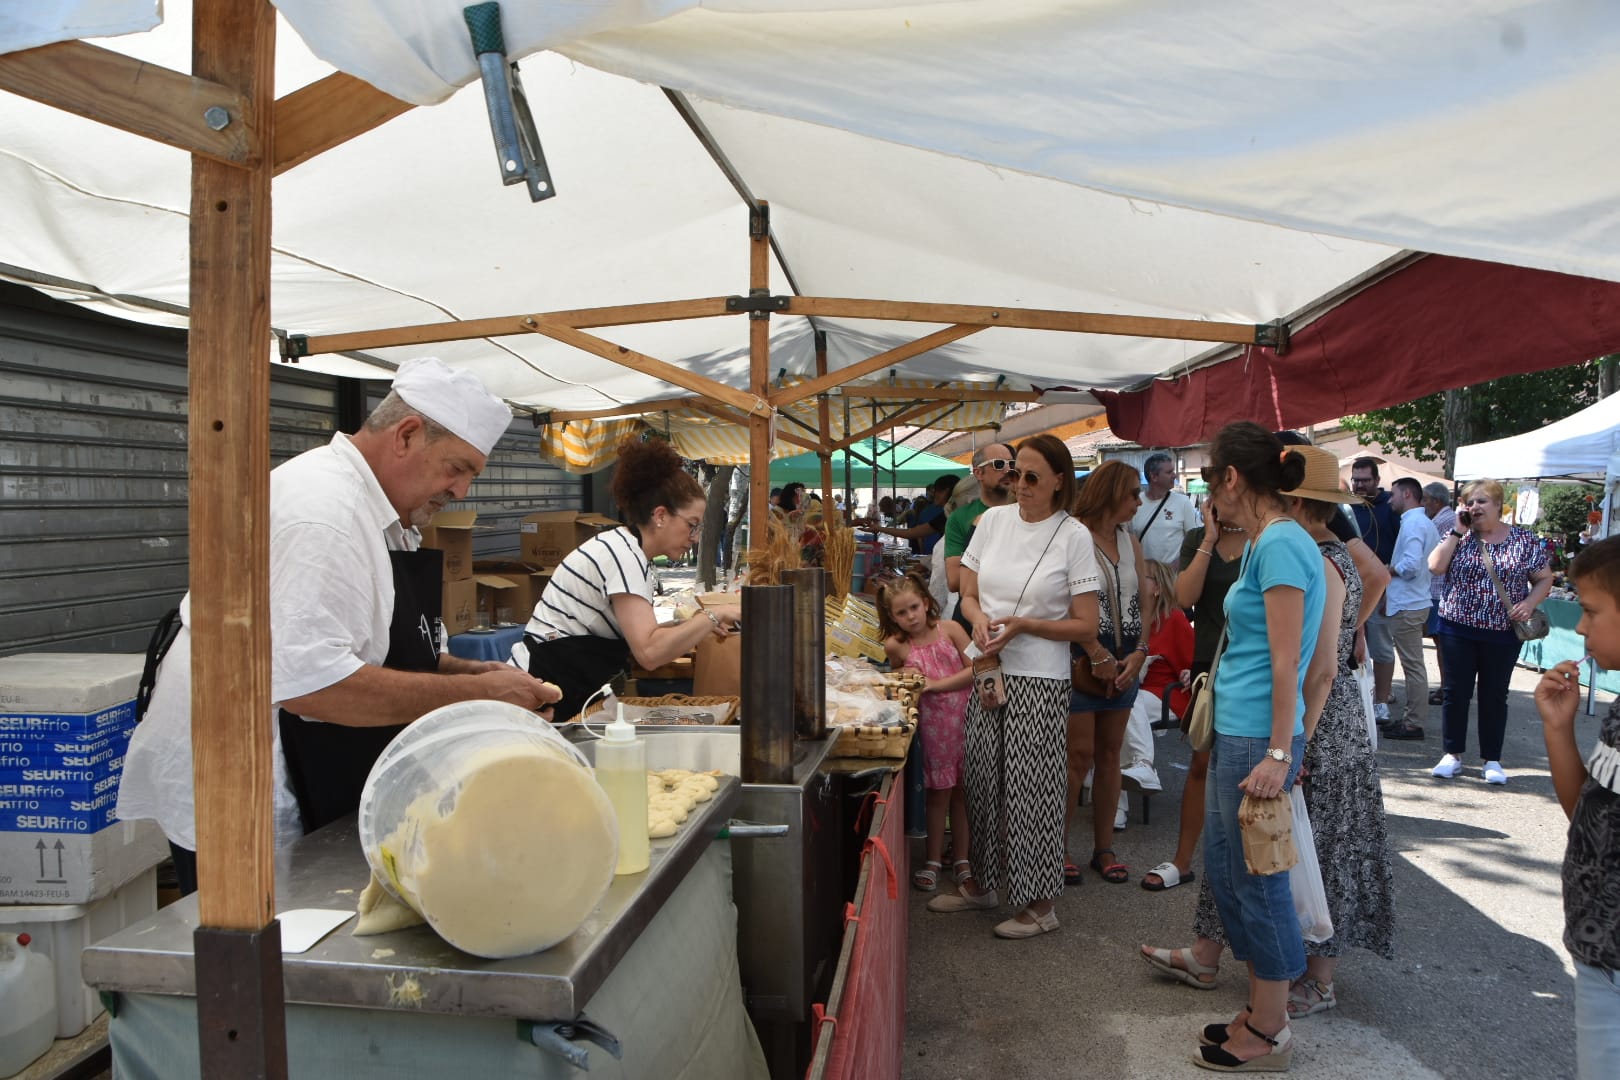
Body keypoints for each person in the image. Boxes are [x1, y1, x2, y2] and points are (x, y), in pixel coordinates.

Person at [117, 358, 563, 895]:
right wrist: (475, 694)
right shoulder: (325, 513)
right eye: (458, 468)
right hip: (254, 789)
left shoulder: (383, 514)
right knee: (275, 960)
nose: (462, 491)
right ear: (406, 435)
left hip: (315, 764)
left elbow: (385, 642)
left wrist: (468, 670)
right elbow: (315, 686)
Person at [1153, 422, 1326, 1071]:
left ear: (1232, 478)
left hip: (1258, 735)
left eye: (1208, 480)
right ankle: (1261, 1012)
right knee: (1234, 877)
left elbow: (1290, 662)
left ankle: (1272, 1028)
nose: (1208, 497)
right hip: (1245, 730)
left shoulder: (1279, 544)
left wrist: (1280, 753)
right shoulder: (1268, 542)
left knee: (1259, 882)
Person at [927, 434, 1103, 939]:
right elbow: (968, 593)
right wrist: (980, 621)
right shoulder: (993, 522)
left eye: (1030, 477)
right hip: (989, 669)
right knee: (981, 779)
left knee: (1033, 791)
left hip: (1041, 678)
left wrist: (1026, 625)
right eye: (1012, 474)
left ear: (1057, 483)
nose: (1018, 485)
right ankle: (983, 882)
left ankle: (1040, 902)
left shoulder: (1073, 535)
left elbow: (1087, 627)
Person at [519, 437, 741, 722]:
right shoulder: (622, 554)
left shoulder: (628, 550)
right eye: (692, 525)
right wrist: (714, 614)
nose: (694, 538)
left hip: (570, 686)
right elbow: (648, 652)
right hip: (545, 689)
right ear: (660, 515)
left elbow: (644, 634)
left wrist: (695, 625)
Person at [1533, 536, 1620, 1080]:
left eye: (1589, 611)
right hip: (1597, 949)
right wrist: (1558, 729)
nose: (1580, 628)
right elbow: (1588, 822)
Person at [1427, 478, 1554, 784]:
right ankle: (1452, 753)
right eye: (1469, 502)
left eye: (1482, 501)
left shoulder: (1523, 540)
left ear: (1499, 505)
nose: (1474, 507)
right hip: (1458, 626)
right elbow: (1434, 566)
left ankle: (1491, 759)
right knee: (1455, 692)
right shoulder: (1459, 536)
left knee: (1494, 694)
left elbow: (1544, 578)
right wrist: (1457, 531)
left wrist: (1529, 602)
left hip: (1501, 631)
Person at [1065, 459, 1148, 885]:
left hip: (1125, 659)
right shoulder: (1072, 534)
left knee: (1111, 755)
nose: (1139, 500)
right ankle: (1055, 850)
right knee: (1077, 758)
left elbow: (1145, 600)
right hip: (1081, 658)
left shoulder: (1128, 539)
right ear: (1112, 492)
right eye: (1133, 492)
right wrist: (1095, 651)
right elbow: (1061, 598)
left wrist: (1140, 653)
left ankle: (1103, 848)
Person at [879, 572, 974, 893]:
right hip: (933, 733)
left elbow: (978, 666)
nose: (910, 617)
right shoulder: (897, 645)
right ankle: (932, 859)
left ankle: (962, 858)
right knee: (937, 796)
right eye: (901, 613)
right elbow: (895, 683)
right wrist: (903, 676)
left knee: (963, 794)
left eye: (914, 607)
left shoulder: (952, 629)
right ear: (891, 616)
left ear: (926, 602)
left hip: (967, 722)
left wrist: (936, 684)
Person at [1382, 477, 1439, 740]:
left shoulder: (1415, 522)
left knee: (1413, 667)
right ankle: (1411, 719)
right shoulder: (1420, 522)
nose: (1390, 499)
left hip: (1409, 603)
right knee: (1413, 666)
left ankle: (1413, 723)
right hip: (1412, 601)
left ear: (1406, 494)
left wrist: (1386, 569)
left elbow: (1411, 565)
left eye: (1393, 494)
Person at [944, 442, 1018, 631]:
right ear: (978, 473)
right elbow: (954, 581)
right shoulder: (960, 518)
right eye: (999, 464)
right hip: (974, 621)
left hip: (1018, 617)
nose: (1008, 470)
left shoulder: (1027, 512)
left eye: (1012, 464)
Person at [1349, 457, 1399, 724]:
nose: (1359, 485)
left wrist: (1391, 587)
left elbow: (1399, 550)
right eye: (1356, 480)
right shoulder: (1347, 507)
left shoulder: (1391, 507)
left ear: (1377, 481)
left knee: (1380, 647)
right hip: (1349, 586)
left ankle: (1381, 700)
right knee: (1347, 645)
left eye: (1365, 480)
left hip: (1381, 585)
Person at [860, 474, 961, 555]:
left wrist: (879, 528)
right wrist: (879, 528)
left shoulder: (955, 515)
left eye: (937, 491)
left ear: (946, 491)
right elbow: (912, 532)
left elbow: (913, 533)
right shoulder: (946, 514)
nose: (934, 495)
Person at [1133, 451, 1202, 569]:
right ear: (1154, 476)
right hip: (1145, 579)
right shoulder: (1135, 503)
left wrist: (1178, 564)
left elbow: (1196, 541)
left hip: (1173, 579)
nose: (1174, 475)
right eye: (1169, 472)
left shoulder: (1183, 502)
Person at [1421, 481, 1456, 705]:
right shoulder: (1448, 519)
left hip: (1439, 588)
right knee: (1441, 643)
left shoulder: (1443, 521)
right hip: (1440, 587)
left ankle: (1447, 688)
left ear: (1436, 501)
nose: (1423, 504)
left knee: (1442, 643)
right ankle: (1447, 687)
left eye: (1425, 500)